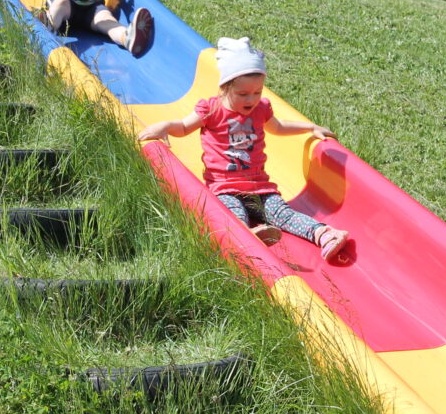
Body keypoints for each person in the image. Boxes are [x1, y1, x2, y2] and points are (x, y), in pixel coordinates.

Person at [137, 37, 349, 261]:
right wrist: (165, 127)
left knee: (282, 214)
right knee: (232, 215)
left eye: (257, 92)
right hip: (225, 188)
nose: (252, 98)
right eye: (243, 94)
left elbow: (278, 127)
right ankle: (248, 238)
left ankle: (324, 234)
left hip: (260, 188)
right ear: (225, 88)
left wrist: (310, 127)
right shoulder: (212, 109)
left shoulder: (261, 109)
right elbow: (183, 126)